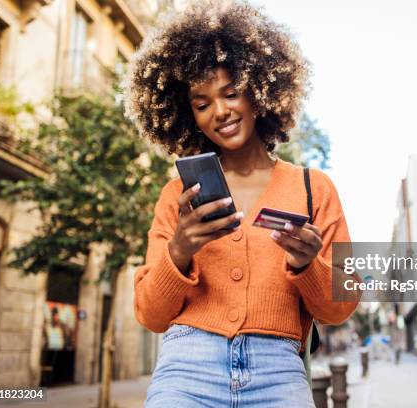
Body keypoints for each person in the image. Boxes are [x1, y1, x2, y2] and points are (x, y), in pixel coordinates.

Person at [125, 1, 361, 406]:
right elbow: (151, 315)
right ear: (188, 115)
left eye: (231, 93)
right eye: (201, 104)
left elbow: (340, 307)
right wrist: (180, 249)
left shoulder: (313, 188)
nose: (220, 112)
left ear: (258, 91)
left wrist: (308, 264)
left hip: (278, 370)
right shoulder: (177, 195)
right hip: (187, 368)